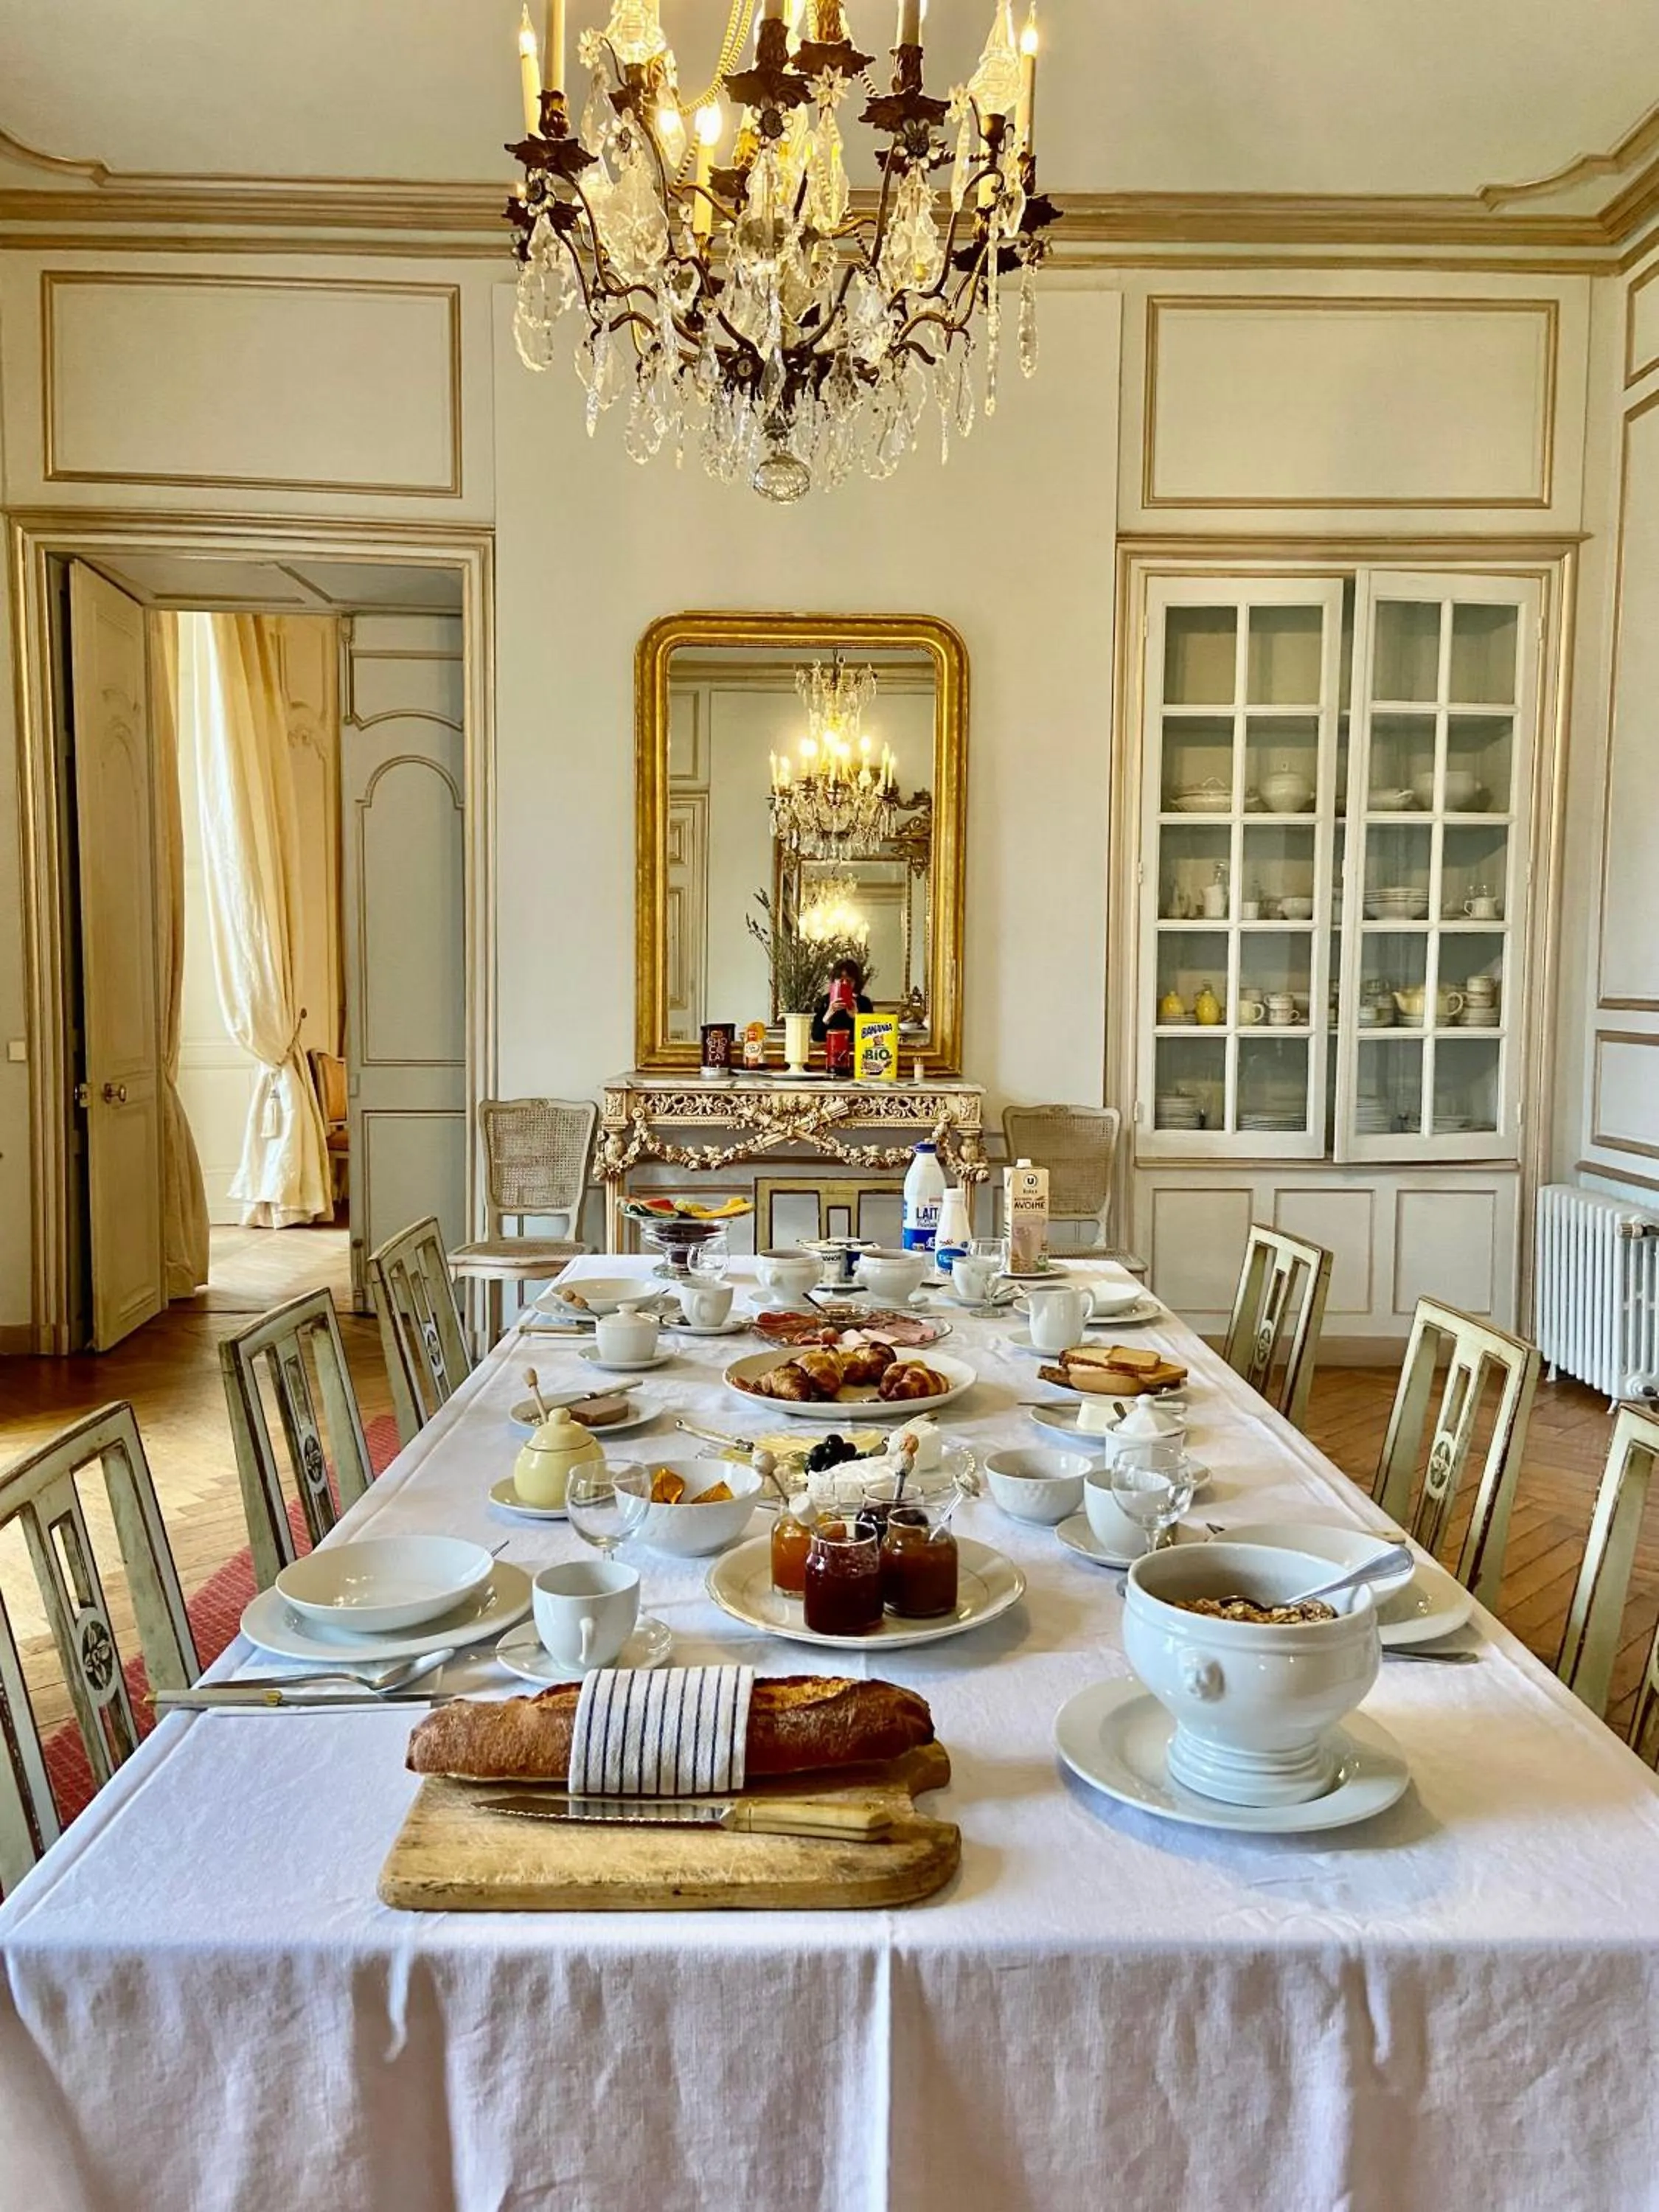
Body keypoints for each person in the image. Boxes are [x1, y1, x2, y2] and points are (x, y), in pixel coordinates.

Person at [811, 957, 874, 1040]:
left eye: (849, 981)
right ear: (834, 981)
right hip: (830, 1047)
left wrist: (856, 1018)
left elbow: (870, 1038)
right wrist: (828, 1015)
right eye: (841, 980)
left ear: (855, 982)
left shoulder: (864, 1003)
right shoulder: (824, 1002)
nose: (845, 984)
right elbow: (816, 1037)